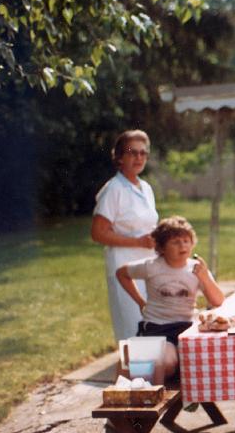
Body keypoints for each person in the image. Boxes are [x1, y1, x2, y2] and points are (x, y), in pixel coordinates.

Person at [116, 216, 224, 383]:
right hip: (157, 328)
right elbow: (121, 273)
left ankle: (176, 390)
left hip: (186, 328)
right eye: (175, 242)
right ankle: (152, 390)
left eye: (187, 241)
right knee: (167, 362)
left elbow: (218, 300)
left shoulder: (196, 269)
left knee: (207, 364)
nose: (183, 246)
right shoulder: (151, 266)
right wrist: (140, 301)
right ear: (161, 247)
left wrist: (205, 278)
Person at [91, 130, 159, 342]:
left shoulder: (145, 188)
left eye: (143, 153)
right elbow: (98, 233)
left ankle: (150, 375)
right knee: (133, 333)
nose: (139, 158)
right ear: (120, 157)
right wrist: (137, 241)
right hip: (124, 271)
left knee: (151, 329)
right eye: (132, 152)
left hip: (148, 268)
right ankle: (132, 374)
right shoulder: (114, 189)